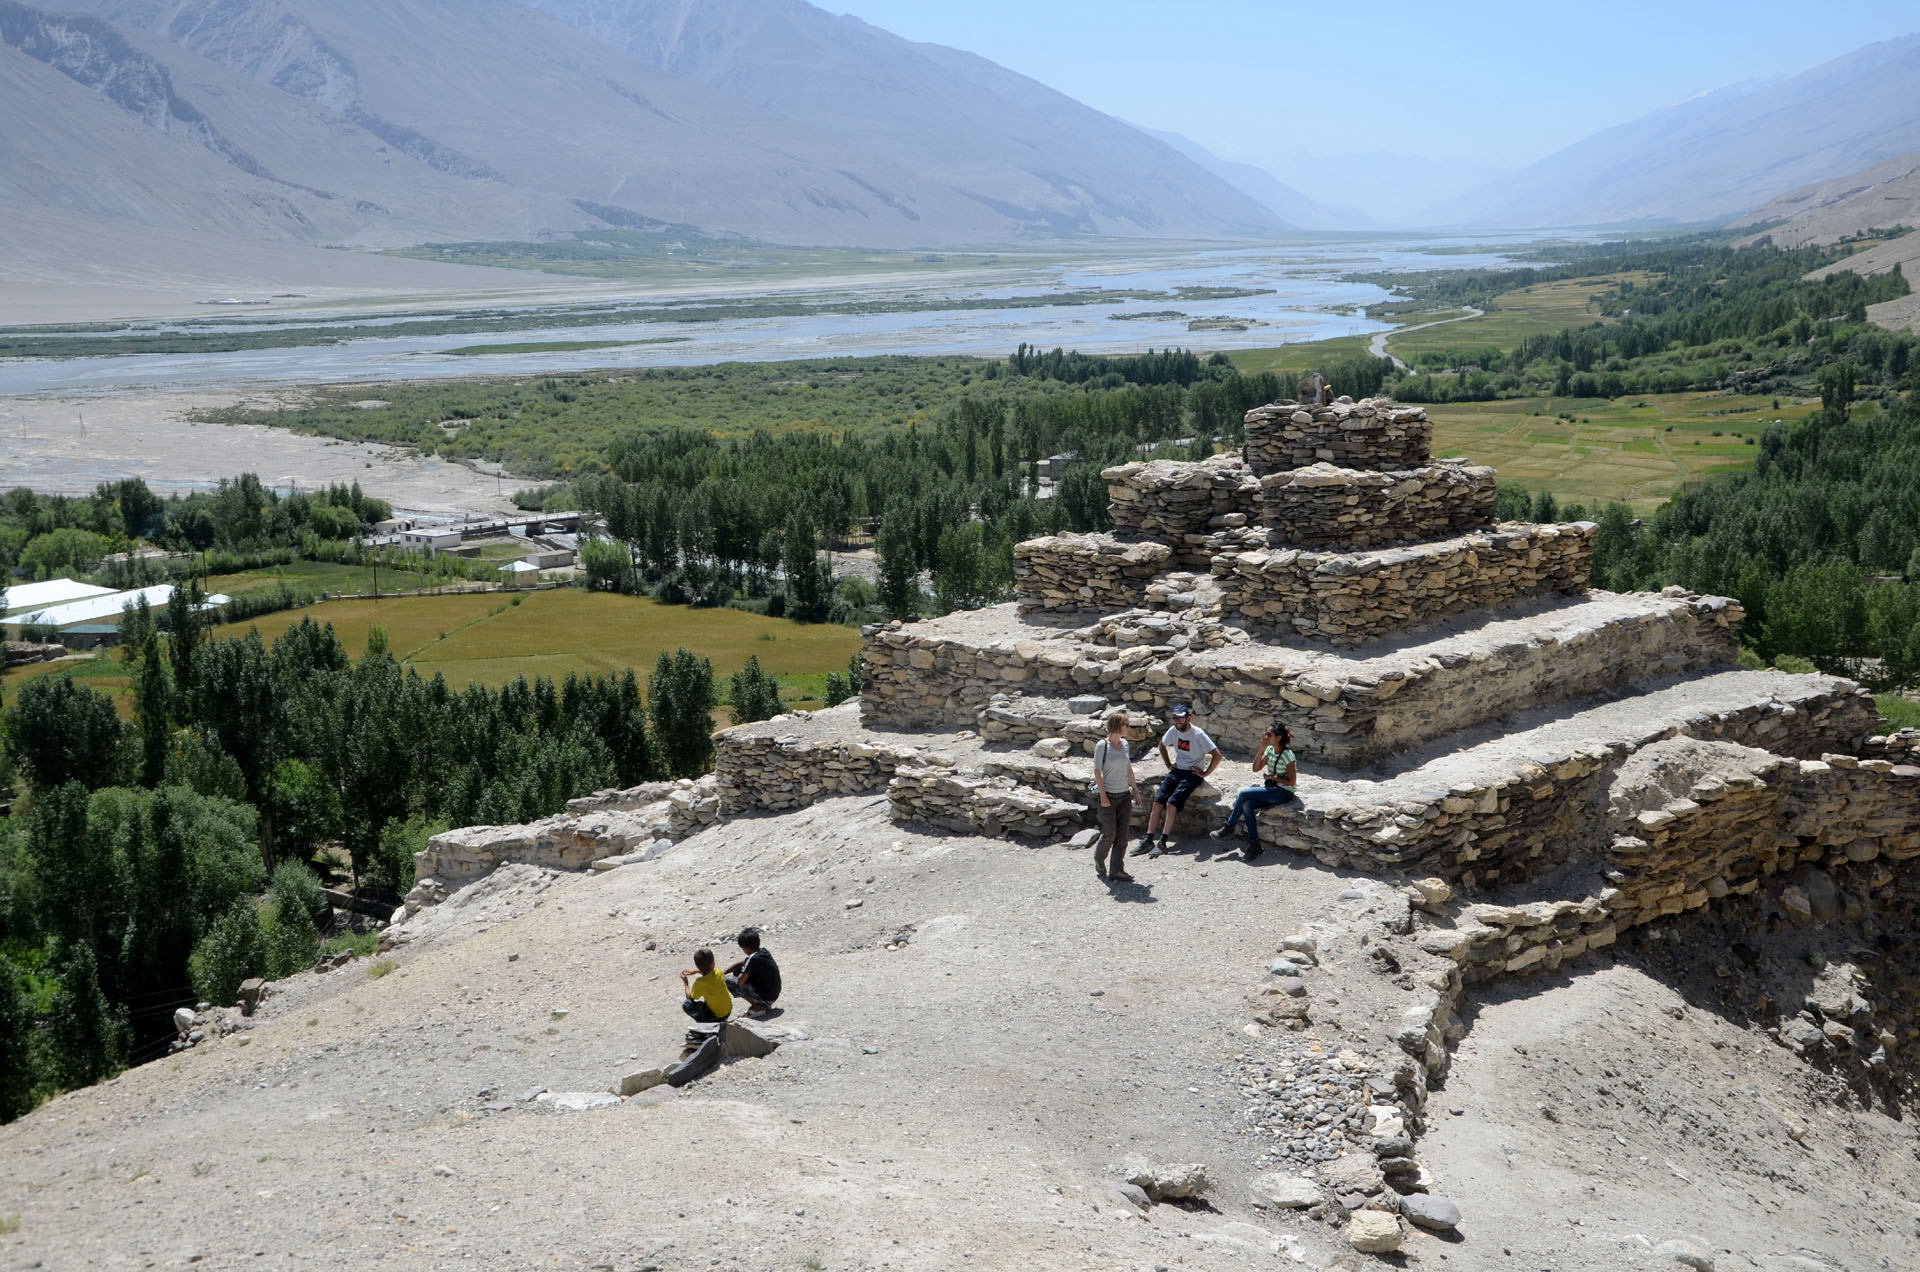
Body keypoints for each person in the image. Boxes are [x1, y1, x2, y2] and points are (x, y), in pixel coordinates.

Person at [1134, 704, 1221, 858]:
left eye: (1180, 718)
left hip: (1192, 773)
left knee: (1172, 803)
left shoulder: (1198, 734)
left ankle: (1162, 842)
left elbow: (1217, 754)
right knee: (1158, 801)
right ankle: (1148, 839)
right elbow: (1162, 745)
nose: (1177, 721)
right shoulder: (1173, 730)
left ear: (1188, 718)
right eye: (1175, 718)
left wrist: (1205, 773)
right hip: (1177, 770)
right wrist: (1168, 764)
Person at [1210, 720, 1301, 860]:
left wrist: (1274, 778)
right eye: (1265, 733)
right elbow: (1256, 768)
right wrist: (1261, 749)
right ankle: (1255, 845)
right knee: (1247, 805)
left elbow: (1292, 782)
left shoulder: (1288, 755)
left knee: (1244, 793)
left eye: (1269, 734)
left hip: (1284, 792)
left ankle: (1229, 826)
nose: (1265, 737)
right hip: (1272, 789)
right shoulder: (1270, 750)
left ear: (1278, 737)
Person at [1091, 710, 1142, 882]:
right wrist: (1103, 796)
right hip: (1109, 796)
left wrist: (1135, 790)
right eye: (1126, 725)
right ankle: (1099, 858)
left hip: (1124, 795)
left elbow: (1128, 768)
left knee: (1122, 836)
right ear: (1116, 726)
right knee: (1109, 834)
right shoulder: (1102, 746)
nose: (1128, 727)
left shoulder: (1125, 744)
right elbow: (1097, 771)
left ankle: (1116, 870)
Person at [724, 927, 782, 1017]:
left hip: (767, 997)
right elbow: (741, 963)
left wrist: (723, 976)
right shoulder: (763, 952)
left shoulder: (753, 959)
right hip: (773, 994)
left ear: (746, 948)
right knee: (737, 972)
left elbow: (740, 982)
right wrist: (722, 972)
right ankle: (763, 1005)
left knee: (728, 980)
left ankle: (758, 1007)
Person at [680, 947, 733, 1023]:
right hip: (728, 1011)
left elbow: (690, 997)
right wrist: (697, 971)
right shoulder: (719, 972)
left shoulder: (700, 982)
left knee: (687, 1005)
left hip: (717, 1016)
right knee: (709, 994)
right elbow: (710, 972)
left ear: (697, 966)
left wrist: (686, 983)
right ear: (713, 964)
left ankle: (707, 1022)